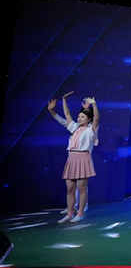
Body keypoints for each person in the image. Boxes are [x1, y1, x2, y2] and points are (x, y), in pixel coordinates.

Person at [47, 92, 99, 223]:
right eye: (79, 116)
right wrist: (64, 100)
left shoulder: (91, 130)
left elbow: (97, 118)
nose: (79, 118)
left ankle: (80, 213)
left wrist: (93, 105)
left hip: (83, 158)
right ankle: (69, 213)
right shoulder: (74, 127)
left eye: (82, 117)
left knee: (82, 188)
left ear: (89, 119)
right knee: (70, 188)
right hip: (72, 158)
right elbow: (67, 114)